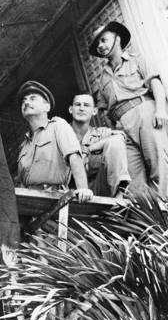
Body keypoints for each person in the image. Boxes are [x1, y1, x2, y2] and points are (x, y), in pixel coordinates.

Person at [90, 21, 168, 196]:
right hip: (121, 126)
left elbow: (155, 83)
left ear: (117, 39)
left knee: (159, 167)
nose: (100, 46)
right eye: (98, 44)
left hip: (144, 114)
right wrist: (113, 131)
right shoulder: (102, 79)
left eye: (104, 40)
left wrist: (161, 110)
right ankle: (148, 218)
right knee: (133, 178)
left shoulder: (136, 59)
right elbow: (104, 110)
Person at [16, 80, 93, 203]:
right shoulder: (24, 145)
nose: (26, 102)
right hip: (29, 202)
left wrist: (83, 189)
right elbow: (21, 181)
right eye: (24, 101)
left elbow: (74, 157)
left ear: (47, 107)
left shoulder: (58, 126)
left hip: (54, 199)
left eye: (32, 98)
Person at [69, 92, 130, 198]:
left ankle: (119, 196)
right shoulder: (61, 131)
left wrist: (88, 150)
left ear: (94, 111)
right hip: (67, 191)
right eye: (78, 104)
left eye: (86, 105)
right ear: (71, 109)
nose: (81, 108)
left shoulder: (102, 133)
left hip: (97, 190)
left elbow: (120, 137)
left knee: (115, 142)